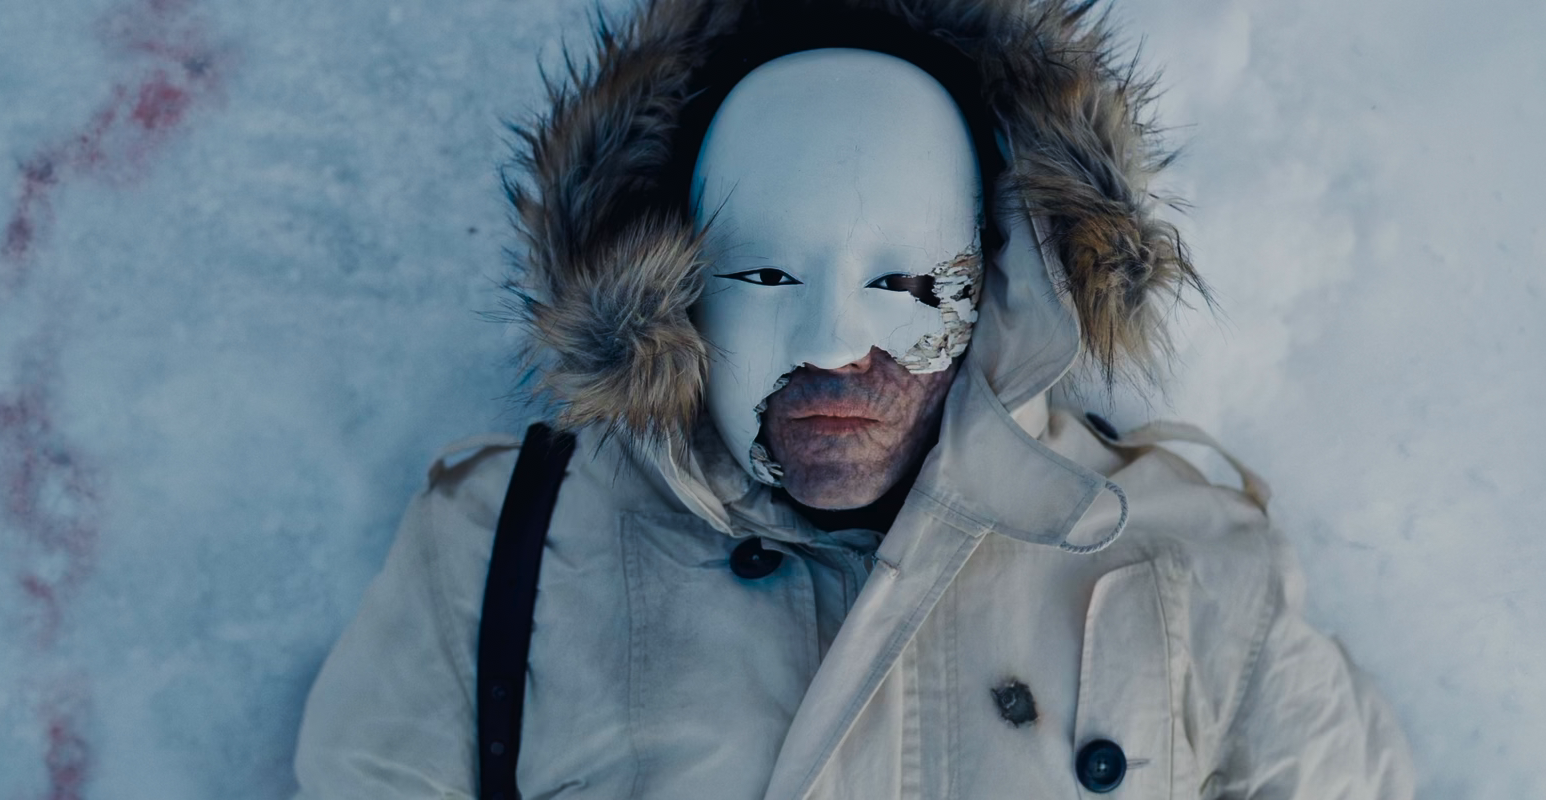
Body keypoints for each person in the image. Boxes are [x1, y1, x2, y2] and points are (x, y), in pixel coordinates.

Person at [291, 1, 1414, 797]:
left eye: (906, 284)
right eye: (765, 274)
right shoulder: (500, 550)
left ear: (997, 272)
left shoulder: (1187, 562)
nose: (834, 341)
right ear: (673, 277)